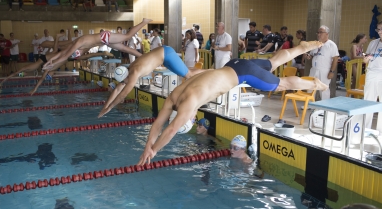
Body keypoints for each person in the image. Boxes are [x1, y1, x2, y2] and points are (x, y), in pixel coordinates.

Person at [137, 41, 326, 165]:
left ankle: (313, 83)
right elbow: (158, 124)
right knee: (272, 63)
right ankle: (301, 48)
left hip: (243, 74)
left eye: (192, 120)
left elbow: (169, 130)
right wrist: (148, 146)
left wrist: (153, 152)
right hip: (234, 65)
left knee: (278, 85)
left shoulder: (188, 106)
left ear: (188, 118)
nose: (194, 118)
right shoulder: (174, 96)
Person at [98, 45, 207, 118]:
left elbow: (122, 94)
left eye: (124, 81)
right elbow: (117, 89)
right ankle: (211, 71)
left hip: (166, 54)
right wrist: (105, 108)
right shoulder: (128, 70)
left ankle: (214, 72)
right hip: (164, 55)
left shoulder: (134, 73)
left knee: (189, 75)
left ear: (126, 76)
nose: (124, 83)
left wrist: (111, 107)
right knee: (186, 72)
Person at [42, 18, 152, 71]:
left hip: (104, 37)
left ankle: (144, 22)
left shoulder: (77, 43)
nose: (79, 54)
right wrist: (51, 61)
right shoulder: (74, 48)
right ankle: (146, 58)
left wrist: (52, 63)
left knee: (127, 36)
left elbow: (65, 56)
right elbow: (62, 53)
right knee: (125, 49)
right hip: (105, 41)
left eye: (77, 53)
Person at [305, 25, 339, 100]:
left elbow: (335, 59)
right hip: (314, 69)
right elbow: (311, 55)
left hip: (324, 70)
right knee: (311, 86)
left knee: (324, 89)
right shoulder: (316, 44)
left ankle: (324, 108)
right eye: (318, 32)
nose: (318, 34)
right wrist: (307, 56)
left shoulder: (331, 45)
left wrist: (332, 71)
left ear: (327, 34)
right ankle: (309, 104)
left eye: (321, 32)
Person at [364, 21, 382, 129]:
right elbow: (365, 60)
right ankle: (366, 128)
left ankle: (380, 131)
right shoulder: (373, 43)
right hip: (371, 73)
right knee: (368, 101)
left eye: (381, 29)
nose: (379, 32)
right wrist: (366, 58)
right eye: (378, 29)